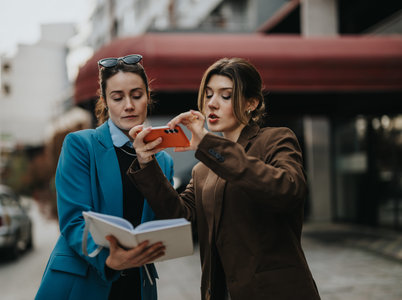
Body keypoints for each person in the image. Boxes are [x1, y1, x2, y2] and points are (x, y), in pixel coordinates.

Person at [128, 58, 320, 299]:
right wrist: (147, 163)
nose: (212, 104)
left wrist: (208, 145)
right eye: (208, 95)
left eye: (225, 95)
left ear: (252, 102)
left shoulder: (276, 139)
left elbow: (288, 191)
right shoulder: (202, 169)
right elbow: (180, 218)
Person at [35, 54, 173, 300]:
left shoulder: (163, 161)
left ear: (148, 97)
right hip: (83, 278)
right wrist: (108, 259)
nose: (128, 105)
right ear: (105, 101)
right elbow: (73, 219)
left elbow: (165, 221)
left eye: (137, 95)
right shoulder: (81, 145)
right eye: (117, 97)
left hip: (137, 284)